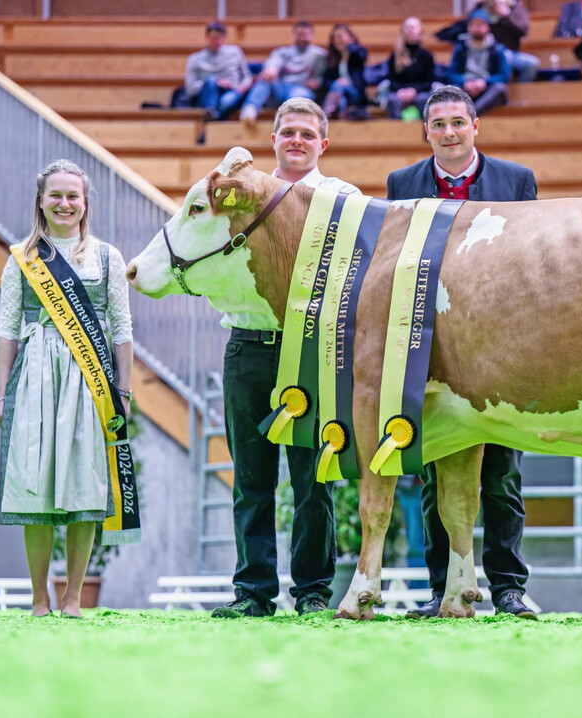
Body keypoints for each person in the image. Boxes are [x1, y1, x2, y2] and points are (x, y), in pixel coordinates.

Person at [386, 85, 537, 619]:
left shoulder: (516, 182)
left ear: (476, 127)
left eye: (458, 122)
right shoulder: (401, 185)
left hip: (497, 350)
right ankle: (441, 587)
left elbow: (530, 263)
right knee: (433, 472)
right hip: (430, 348)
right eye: (438, 124)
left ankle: (508, 588)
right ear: (426, 131)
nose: (448, 133)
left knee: (501, 473)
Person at [212, 97, 360, 619]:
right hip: (248, 346)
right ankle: (252, 592)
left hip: (314, 353)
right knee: (251, 479)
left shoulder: (345, 199)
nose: (296, 140)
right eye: (287, 132)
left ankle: (313, 590)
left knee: (313, 477)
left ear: (324, 143)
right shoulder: (240, 195)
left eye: (306, 133)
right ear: (272, 139)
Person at [0, 160, 134, 618]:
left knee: (85, 482)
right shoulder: (22, 257)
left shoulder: (108, 257)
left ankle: (73, 599)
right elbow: (7, 330)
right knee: (35, 483)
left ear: (85, 201)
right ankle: (40, 599)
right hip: (35, 374)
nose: (64, 203)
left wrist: (124, 393)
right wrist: (2, 396)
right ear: (41, 200)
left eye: (73, 196)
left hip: (89, 380)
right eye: (55, 195)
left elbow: (121, 330)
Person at [240, 20, 327, 127]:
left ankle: (284, 118)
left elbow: (324, 77)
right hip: (281, 88)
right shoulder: (282, 52)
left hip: (302, 89)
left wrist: (317, 82)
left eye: (306, 35)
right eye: (300, 34)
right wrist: (271, 69)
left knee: (299, 95)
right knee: (265, 78)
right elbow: (273, 62)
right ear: (294, 34)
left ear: (312, 35)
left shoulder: (320, 55)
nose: (303, 38)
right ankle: (250, 110)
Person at [184, 21, 254, 121]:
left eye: (220, 37)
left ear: (225, 38)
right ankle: (211, 112)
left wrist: (242, 87)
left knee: (226, 102)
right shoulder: (195, 59)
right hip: (206, 94)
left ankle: (211, 119)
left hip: (233, 91)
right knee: (211, 81)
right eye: (214, 38)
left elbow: (247, 77)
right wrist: (216, 82)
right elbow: (190, 89)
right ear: (207, 37)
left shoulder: (235, 52)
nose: (217, 41)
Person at [447, 9, 511, 116]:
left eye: (480, 25)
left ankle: (470, 116)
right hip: (465, 88)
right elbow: (451, 73)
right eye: (473, 25)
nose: (477, 28)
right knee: (448, 91)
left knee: (500, 89)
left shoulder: (497, 49)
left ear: (487, 27)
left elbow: (504, 75)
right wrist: (464, 82)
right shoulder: (460, 49)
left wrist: (485, 82)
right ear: (468, 27)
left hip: (487, 88)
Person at [383, 17, 438, 120]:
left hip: (421, 92)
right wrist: (401, 91)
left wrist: (414, 90)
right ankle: (396, 132)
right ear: (403, 32)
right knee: (392, 100)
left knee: (424, 100)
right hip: (400, 92)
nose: (411, 30)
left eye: (414, 27)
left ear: (421, 31)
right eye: (408, 27)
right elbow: (391, 79)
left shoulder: (427, 56)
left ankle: (425, 132)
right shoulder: (395, 56)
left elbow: (430, 81)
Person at [475, 0, 541, 82]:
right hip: (483, 52)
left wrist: (506, 16)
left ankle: (520, 91)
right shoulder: (480, 8)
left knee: (532, 63)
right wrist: (480, 7)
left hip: (511, 52)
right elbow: (466, 27)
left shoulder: (517, 10)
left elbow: (522, 32)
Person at [320, 24, 369, 120]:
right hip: (338, 95)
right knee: (342, 102)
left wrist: (350, 45)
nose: (337, 41)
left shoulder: (358, 52)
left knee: (339, 84)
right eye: (334, 38)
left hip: (355, 93)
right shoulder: (332, 58)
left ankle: (324, 116)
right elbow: (326, 82)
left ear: (350, 37)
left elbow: (361, 57)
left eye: (340, 37)